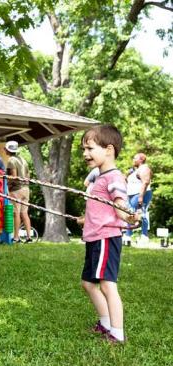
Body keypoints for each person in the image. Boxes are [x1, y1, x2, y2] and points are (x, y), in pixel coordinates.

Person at [77, 124, 140, 344]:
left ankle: (117, 332)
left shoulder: (114, 178)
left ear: (109, 149)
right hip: (94, 236)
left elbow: (120, 207)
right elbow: (100, 207)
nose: (85, 153)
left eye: (90, 148)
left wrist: (129, 216)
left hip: (106, 237)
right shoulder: (99, 178)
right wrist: (85, 218)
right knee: (88, 283)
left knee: (107, 284)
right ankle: (105, 324)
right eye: (84, 149)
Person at [5, 141, 33, 243]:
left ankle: (16, 237)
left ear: (8, 150)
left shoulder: (11, 160)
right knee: (24, 213)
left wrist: (8, 186)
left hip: (16, 189)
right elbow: (28, 175)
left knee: (16, 213)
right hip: (26, 189)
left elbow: (13, 176)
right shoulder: (23, 160)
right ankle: (29, 237)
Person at [124, 153, 153, 245]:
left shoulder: (144, 168)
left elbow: (145, 182)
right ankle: (128, 235)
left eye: (134, 158)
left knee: (141, 214)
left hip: (140, 194)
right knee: (130, 214)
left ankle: (144, 236)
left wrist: (141, 196)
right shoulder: (135, 170)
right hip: (132, 195)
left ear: (141, 160)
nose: (133, 160)